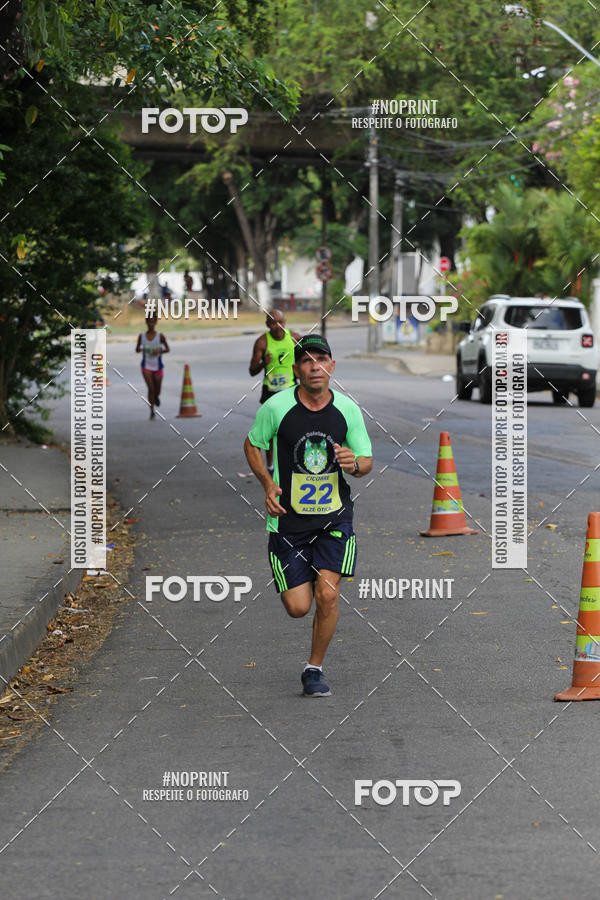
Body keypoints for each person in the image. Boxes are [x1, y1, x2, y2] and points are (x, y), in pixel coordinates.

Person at [244, 334, 373, 697]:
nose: (314, 367)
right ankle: (307, 580)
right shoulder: (276, 407)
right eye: (306, 361)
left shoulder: (347, 409)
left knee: (327, 595)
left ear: (332, 366)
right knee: (299, 607)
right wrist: (268, 484)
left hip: (334, 519)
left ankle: (313, 669)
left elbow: (365, 461)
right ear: (296, 369)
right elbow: (252, 444)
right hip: (289, 523)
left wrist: (354, 464)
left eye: (321, 359)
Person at [248, 309, 301, 475]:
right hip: (270, 391)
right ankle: (270, 466)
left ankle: (294, 462)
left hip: (290, 389)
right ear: (267, 325)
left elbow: (308, 359)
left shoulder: (295, 338)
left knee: (294, 427)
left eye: (281, 322)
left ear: (285, 322)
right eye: (273, 323)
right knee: (271, 431)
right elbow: (252, 370)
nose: (278, 326)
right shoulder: (262, 342)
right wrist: (264, 362)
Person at [136, 315, 169, 419]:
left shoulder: (160, 336)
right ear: (146, 322)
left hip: (158, 366)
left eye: (152, 322)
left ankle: (156, 396)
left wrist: (159, 351)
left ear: (156, 322)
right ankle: (152, 411)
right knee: (151, 388)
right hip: (146, 366)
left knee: (157, 390)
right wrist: (139, 349)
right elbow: (137, 349)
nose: (151, 324)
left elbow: (167, 349)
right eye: (149, 322)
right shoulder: (142, 336)